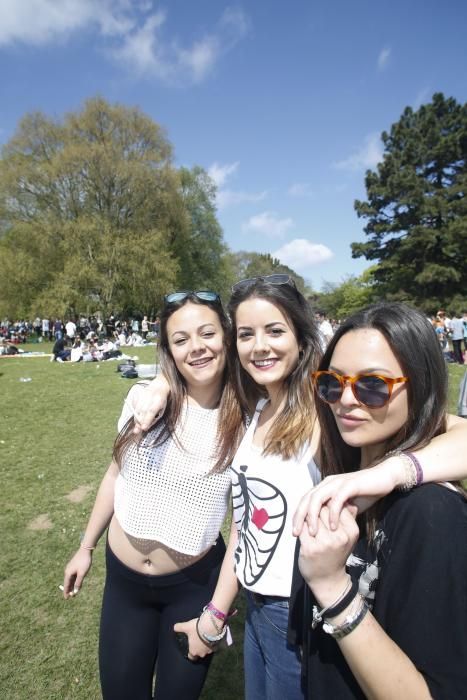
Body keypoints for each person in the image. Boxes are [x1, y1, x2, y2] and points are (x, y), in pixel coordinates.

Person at [135, 277, 467, 700]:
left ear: (300, 334)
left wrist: (383, 474)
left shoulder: (326, 404)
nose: (260, 346)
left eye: (275, 330)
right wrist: (163, 381)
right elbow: (244, 516)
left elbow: (454, 431)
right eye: (246, 334)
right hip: (255, 606)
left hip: (295, 607)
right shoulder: (251, 403)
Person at [62, 290, 243, 700]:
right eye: (180, 340)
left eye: (207, 333)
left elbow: (242, 530)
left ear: (226, 339)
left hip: (192, 587)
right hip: (124, 586)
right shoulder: (143, 399)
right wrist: (85, 547)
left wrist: (215, 616)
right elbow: (114, 474)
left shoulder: (246, 420)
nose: (196, 347)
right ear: (169, 349)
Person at [296, 302, 467, 699]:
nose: (346, 399)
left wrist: (332, 588)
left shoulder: (432, 514)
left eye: (373, 385)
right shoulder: (339, 473)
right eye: (332, 383)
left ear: (420, 385)